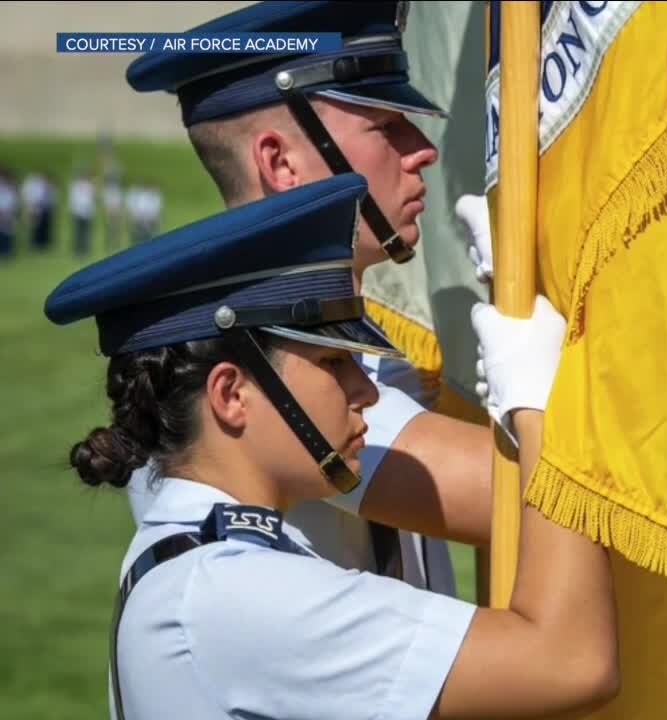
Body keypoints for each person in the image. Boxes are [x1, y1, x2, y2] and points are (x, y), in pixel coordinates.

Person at [46, 174, 619, 720]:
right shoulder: (235, 595)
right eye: (333, 362)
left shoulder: (203, 568)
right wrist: (541, 402)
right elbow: (571, 661)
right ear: (231, 394)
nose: (365, 390)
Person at [124, 0, 495, 596]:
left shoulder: (329, 343)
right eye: (385, 125)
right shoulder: (270, 363)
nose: (422, 148)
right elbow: (538, 499)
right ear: (280, 162)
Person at [70, 171, 96, 258]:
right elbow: (73, 200)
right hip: (78, 212)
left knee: (86, 233)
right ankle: (77, 250)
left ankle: (85, 250)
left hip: (88, 212)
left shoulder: (89, 186)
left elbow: (93, 198)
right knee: (78, 233)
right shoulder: (75, 187)